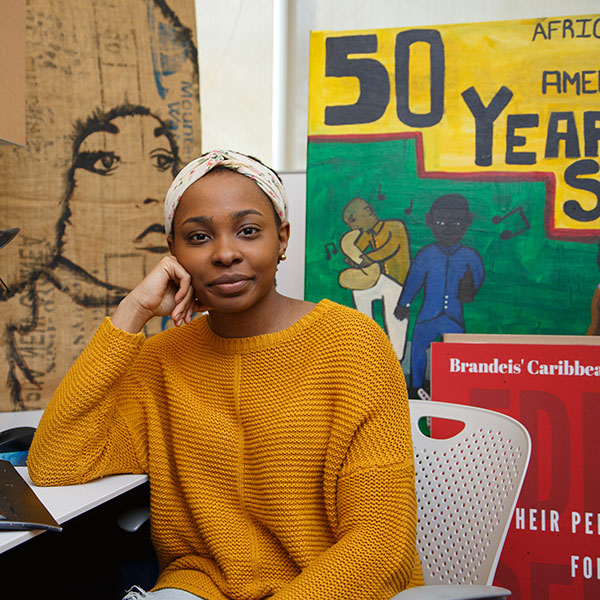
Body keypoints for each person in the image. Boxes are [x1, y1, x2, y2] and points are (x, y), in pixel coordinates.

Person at [28, 149, 423, 600]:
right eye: (197, 237)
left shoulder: (352, 344)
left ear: (283, 238)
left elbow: (382, 544)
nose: (225, 253)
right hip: (203, 587)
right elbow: (56, 464)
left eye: (249, 231)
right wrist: (131, 313)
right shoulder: (162, 359)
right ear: (173, 253)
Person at [394, 194, 485, 396]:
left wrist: (470, 290)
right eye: (441, 222)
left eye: (456, 223)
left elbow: (478, 277)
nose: (448, 228)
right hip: (428, 316)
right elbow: (414, 281)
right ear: (429, 221)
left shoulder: (470, 256)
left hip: (454, 318)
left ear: (467, 222)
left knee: (456, 355)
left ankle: (453, 389)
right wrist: (404, 304)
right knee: (418, 349)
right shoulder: (426, 254)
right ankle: (416, 387)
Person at [339, 198, 411, 361]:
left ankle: (396, 356)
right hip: (379, 279)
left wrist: (366, 258)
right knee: (360, 293)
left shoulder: (394, 226)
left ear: (369, 212)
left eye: (353, 220)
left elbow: (389, 249)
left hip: (396, 280)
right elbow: (359, 250)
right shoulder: (367, 233)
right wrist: (353, 257)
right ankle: (367, 345)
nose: (353, 226)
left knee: (395, 317)